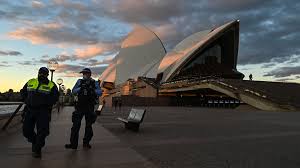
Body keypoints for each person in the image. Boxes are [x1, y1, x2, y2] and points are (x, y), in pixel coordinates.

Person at [20, 67, 59, 158]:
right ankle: (35, 141)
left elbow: (55, 97)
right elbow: (23, 91)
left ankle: (37, 149)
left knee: (43, 131)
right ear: (38, 73)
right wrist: (26, 100)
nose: (42, 75)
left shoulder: (51, 84)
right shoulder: (31, 81)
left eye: (44, 73)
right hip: (29, 109)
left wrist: (46, 104)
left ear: (47, 75)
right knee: (26, 131)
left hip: (43, 111)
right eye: (40, 73)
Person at [65, 68, 102, 150]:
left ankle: (86, 143)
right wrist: (81, 88)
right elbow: (73, 91)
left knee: (88, 126)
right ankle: (73, 144)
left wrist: (92, 89)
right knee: (75, 125)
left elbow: (100, 92)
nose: (84, 75)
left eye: (85, 73)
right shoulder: (79, 81)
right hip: (80, 106)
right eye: (83, 74)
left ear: (90, 74)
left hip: (90, 106)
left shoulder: (94, 82)